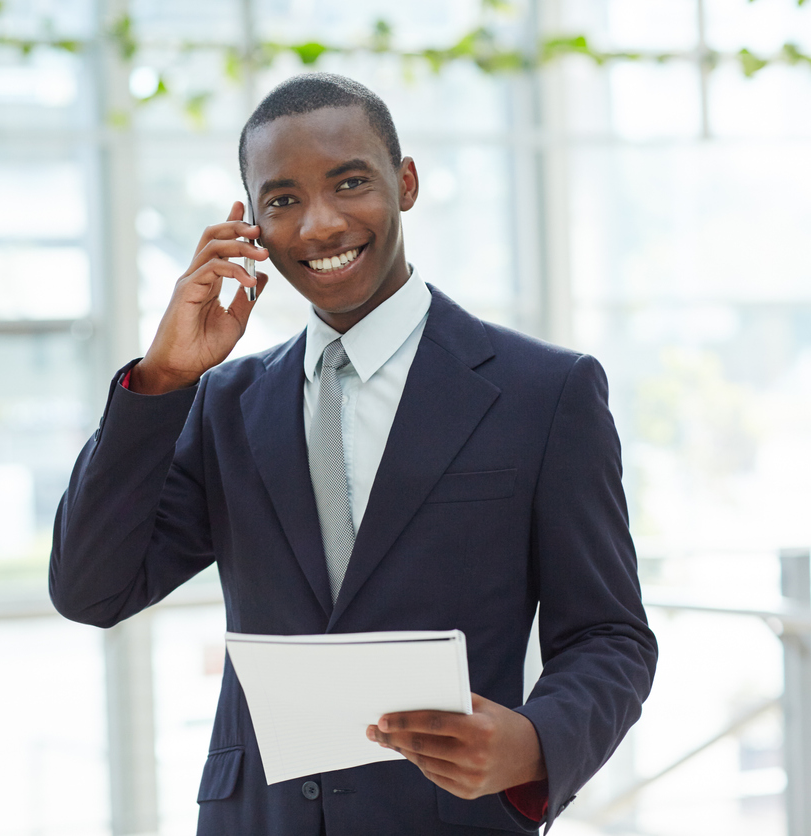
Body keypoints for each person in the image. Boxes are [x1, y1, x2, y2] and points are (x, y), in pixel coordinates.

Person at [50, 73, 657, 835]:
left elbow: (610, 635)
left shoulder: (546, 392)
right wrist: (162, 379)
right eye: (283, 201)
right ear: (252, 228)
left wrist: (536, 745)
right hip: (258, 819)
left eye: (350, 183)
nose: (319, 225)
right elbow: (91, 590)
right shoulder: (225, 405)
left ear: (404, 183)